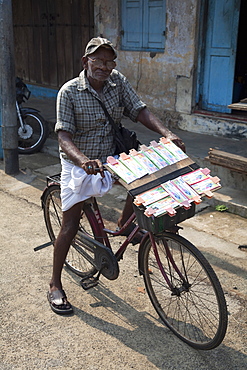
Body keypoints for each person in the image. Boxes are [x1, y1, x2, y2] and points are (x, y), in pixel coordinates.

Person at [47, 37, 186, 315]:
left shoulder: (117, 81)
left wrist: (167, 133)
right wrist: (83, 160)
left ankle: (125, 223)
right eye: (97, 60)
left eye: (109, 61)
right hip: (80, 165)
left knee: (147, 185)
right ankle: (54, 284)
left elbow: (139, 110)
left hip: (113, 157)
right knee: (70, 225)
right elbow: (63, 136)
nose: (104, 66)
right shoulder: (69, 92)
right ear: (85, 62)